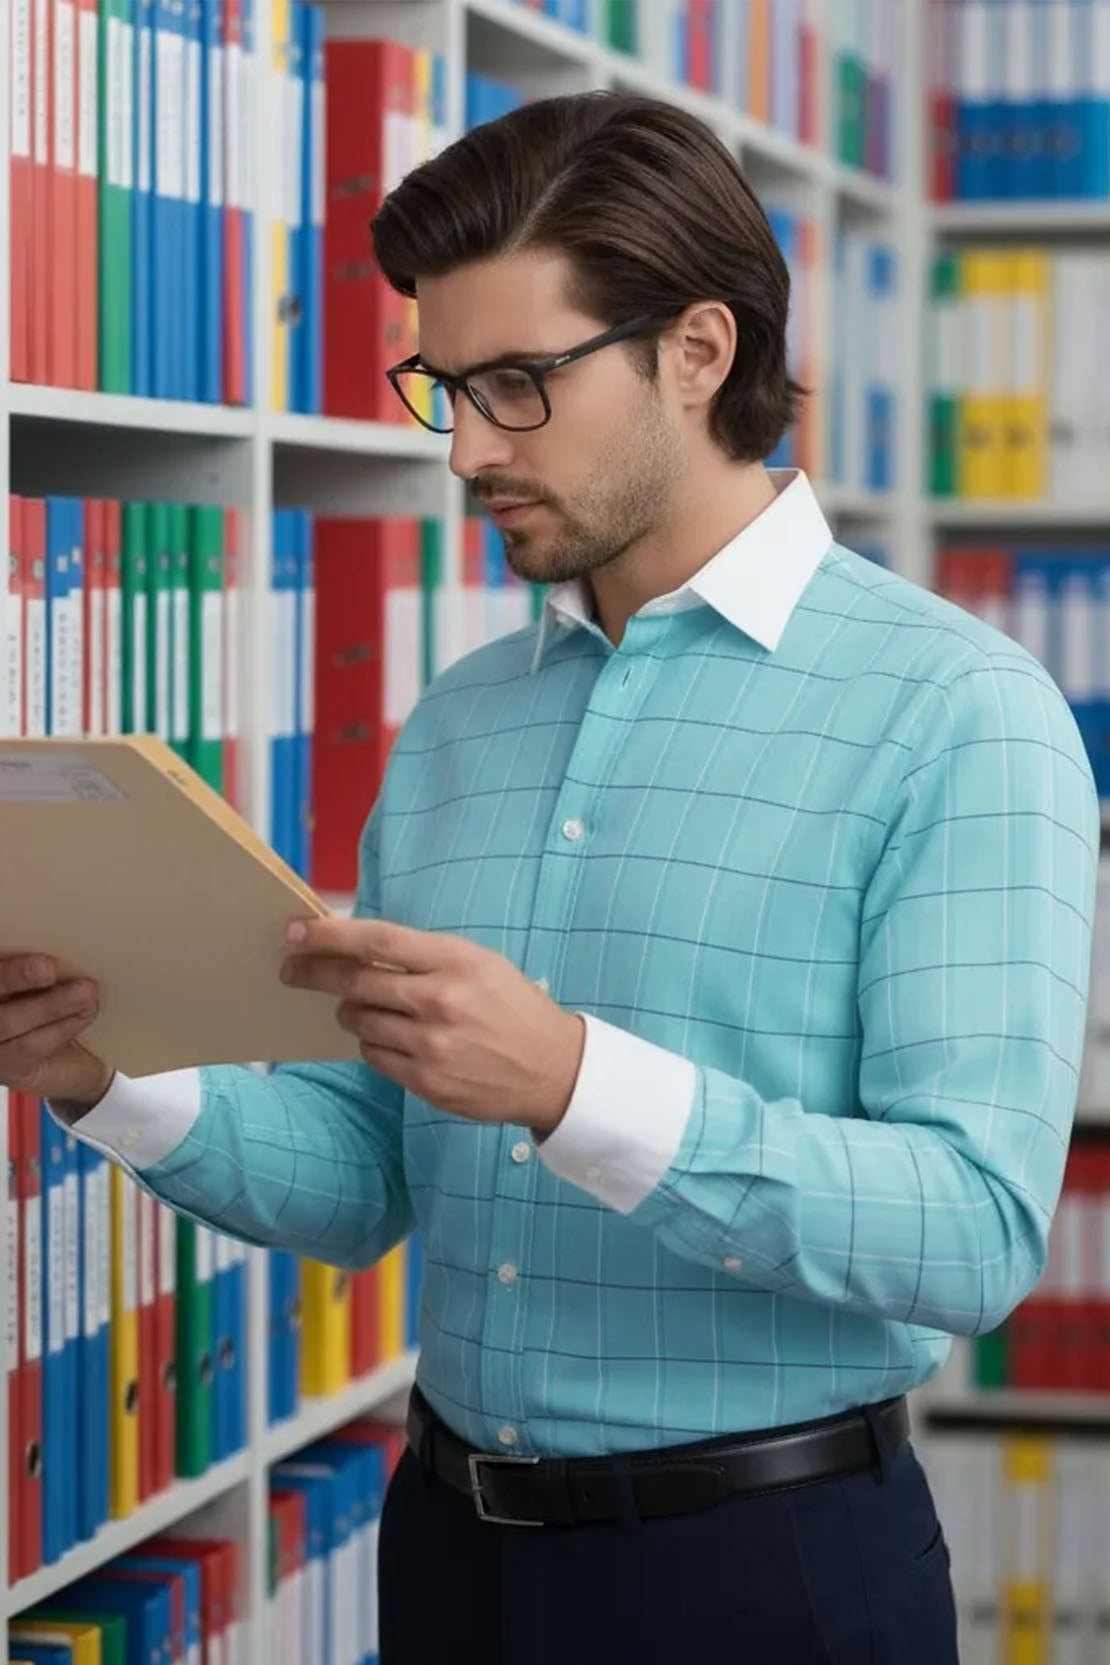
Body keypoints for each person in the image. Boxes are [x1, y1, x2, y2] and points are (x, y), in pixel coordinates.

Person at [1, 91, 1098, 1663]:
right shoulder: (462, 716)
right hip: (448, 1547)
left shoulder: (955, 711)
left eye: (518, 384)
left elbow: (972, 1230)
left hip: (764, 1570)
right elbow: (372, 1176)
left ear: (698, 352)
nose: (462, 448)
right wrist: (106, 1077)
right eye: (444, 387)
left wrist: (575, 1081)